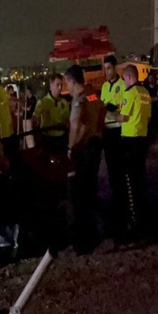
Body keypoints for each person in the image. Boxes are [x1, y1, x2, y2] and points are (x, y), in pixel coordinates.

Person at [108, 64, 152, 240]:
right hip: (143, 138)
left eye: (124, 79)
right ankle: (145, 216)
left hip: (130, 141)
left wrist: (110, 114)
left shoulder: (130, 93)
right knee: (141, 179)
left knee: (130, 182)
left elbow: (123, 117)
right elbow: (148, 117)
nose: (123, 82)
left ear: (128, 77)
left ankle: (134, 222)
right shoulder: (145, 93)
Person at [65, 65, 105, 254]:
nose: (67, 87)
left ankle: (83, 240)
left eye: (67, 83)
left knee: (78, 195)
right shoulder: (92, 95)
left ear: (72, 81)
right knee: (91, 191)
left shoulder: (78, 101)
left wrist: (70, 148)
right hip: (96, 145)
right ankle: (96, 233)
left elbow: (75, 126)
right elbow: (102, 112)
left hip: (83, 149)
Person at [100, 55, 126, 228]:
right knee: (110, 167)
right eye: (105, 68)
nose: (106, 71)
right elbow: (103, 106)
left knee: (120, 168)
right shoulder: (104, 86)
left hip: (118, 130)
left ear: (115, 67)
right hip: (107, 131)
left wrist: (110, 111)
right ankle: (116, 197)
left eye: (109, 68)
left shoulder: (122, 85)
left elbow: (120, 110)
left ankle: (123, 200)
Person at [33, 73, 70, 153]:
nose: (60, 88)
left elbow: (67, 118)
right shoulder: (43, 102)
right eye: (57, 85)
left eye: (61, 85)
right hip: (48, 139)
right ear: (51, 85)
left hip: (62, 138)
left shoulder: (64, 102)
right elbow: (35, 118)